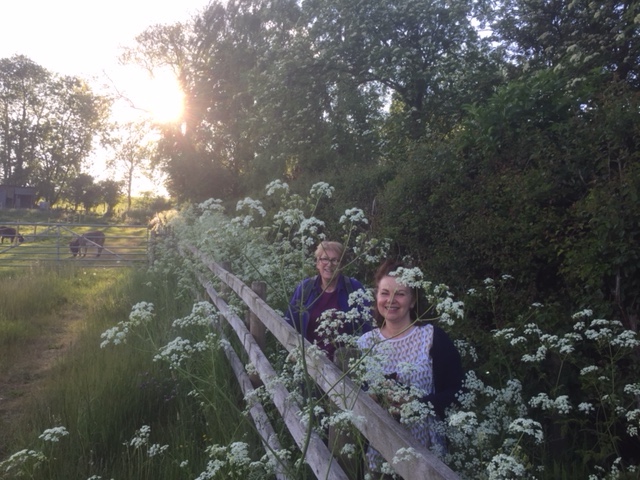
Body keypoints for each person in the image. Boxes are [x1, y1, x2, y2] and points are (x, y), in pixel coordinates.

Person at [357, 259, 464, 477]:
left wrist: (417, 405)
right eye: (385, 293)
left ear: (413, 300)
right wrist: (376, 397)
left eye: (400, 294)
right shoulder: (365, 343)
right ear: (376, 296)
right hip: (379, 454)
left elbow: (457, 391)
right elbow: (356, 399)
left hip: (425, 454)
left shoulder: (432, 338)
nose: (391, 300)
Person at [285, 240, 371, 360]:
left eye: (335, 260)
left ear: (341, 265)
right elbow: (289, 324)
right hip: (311, 361)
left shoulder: (354, 288)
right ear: (317, 263)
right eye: (325, 259)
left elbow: (368, 327)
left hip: (345, 364)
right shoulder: (305, 288)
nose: (329, 265)